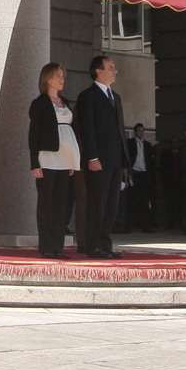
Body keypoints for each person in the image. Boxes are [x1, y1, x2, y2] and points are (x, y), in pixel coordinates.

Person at [74, 56, 127, 259]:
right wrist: (92, 157)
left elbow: (119, 130)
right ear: (98, 71)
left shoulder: (116, 97)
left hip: (115, 159)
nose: (115, 70)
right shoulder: (88, 96)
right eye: (111, 67)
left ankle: (105, 244)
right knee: (97, 203)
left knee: (111, 205)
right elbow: (87, 129)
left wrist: (124, 159)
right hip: (98, 160)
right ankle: (93, 244)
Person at [28, 62, 78, 258]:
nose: (61, 79)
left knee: (61, 203)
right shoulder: (39, 103)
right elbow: (34, 134)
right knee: (46, 203)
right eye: (58, 76)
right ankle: (47, 246)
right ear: (47, 79)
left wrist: (74, 160)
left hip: (66, 157)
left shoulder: (65, 102)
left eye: (63, 76)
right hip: (47, 157)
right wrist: (34, 162)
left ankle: (58, 246)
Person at [123, 123, 156, 232]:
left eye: (142, 131)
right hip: (134, 173)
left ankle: (145, 225)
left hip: (144, 174)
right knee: (132, 200)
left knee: (144, 201)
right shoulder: (130, 143)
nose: (141, 133)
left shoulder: (147, 144)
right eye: (139, 131)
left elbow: (149, 161)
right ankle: (129, 225)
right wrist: (128, 172)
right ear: (135, 132)